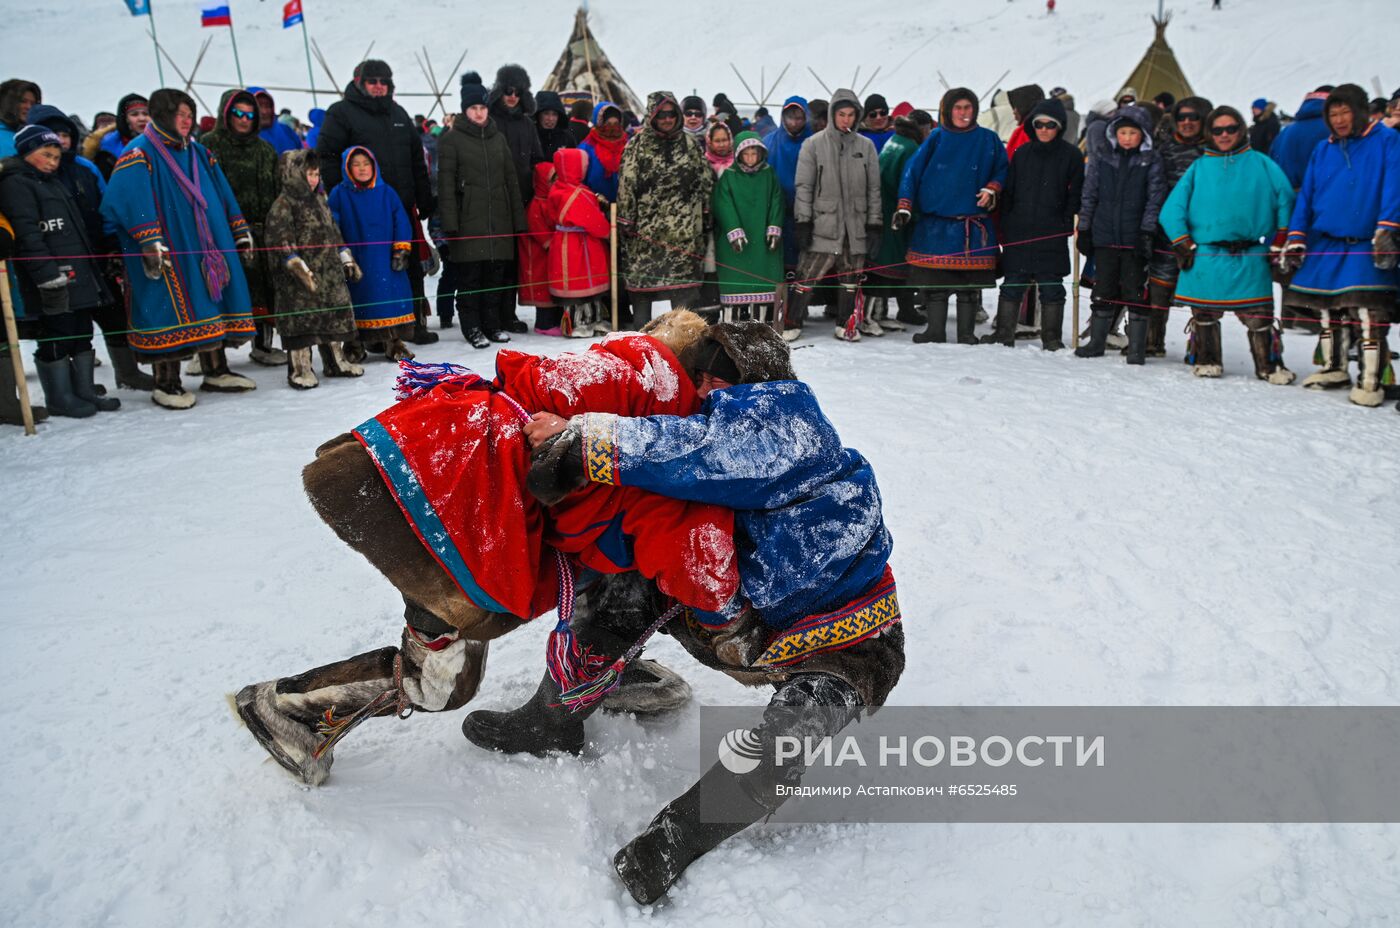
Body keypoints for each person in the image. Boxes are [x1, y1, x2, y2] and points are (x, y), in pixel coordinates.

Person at [477, 321, 904, 906]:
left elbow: (696, 451)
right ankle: (552, 718)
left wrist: (580, 441)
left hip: (852, 640)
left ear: (742, 381)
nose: (698, 391)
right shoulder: (740, 425)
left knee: (783, 745)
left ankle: (679, 837)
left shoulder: (788, 426)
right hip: (751, 620)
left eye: (708, 378)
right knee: (625, 581)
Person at [234, 311, 729, 787]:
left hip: (458, 485)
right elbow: (551, 401)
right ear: (696, 372)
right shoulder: (651, 386)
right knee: (441, 681)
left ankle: (602, 670)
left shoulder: (639, 383)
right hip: (454, 499)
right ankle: (283, 710)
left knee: (604, 578)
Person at [100, 88, 258, 410]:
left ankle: (216, 370)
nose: (187, 122)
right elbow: (127, 200)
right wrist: (148, 238)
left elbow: (221, 191)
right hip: (167, 247)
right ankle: (166, 381)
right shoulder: (139, 153)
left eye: (190, 115)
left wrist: (238, 229)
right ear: (162, 116)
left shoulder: (199, 152)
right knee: (167, 307)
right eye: (180, 115)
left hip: (207, 245)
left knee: (211, 302)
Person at [1279, 84, 1400, 408]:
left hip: (1367, 242)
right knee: (1329, 310)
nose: (1340, 119)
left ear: (1360, 111)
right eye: (1333, 114)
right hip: (1327, 241)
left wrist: (1388, 228)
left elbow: (1394, 185)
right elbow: (1307, 196)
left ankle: (1371, 380)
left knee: (1367, 312)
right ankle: (1335, 368)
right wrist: (1296, 236)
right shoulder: (1323, 149)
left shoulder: (1388, 141)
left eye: (1345, 112)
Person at [24, 102, 154, 393]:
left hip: (96, 255)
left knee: (114, 316)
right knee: (66, 323)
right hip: (57, 260)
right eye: (52, 134)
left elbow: (106, 205)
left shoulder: (85, 167)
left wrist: (111, 243)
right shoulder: (33, 174)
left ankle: (128, 373)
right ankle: (71, 388)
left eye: (64, 133)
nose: (61, 140)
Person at [1160, 105, 1296, 381]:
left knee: (1259, 317)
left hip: (1250, 253)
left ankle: (1269, 365)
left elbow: (1286, 199)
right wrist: (1182, 242)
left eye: (1230, 129)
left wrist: (1281, 236)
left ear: (1241, 129)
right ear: (1210, 133)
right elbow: (1171, 210)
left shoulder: (1261, 163)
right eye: (1218, 130)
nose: (1224, 135)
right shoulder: (1199, 167)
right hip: (1207, 253)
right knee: (1205, 314)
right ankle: (1207, 359)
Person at [317, 60, 438, 349]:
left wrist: (424, 197)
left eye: (384, 81)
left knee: (409, 267)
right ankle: (370, 333)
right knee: (370, 272)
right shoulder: (341, 113)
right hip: (361, 209)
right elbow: (328, 157)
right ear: (359, 82)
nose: (379, 86)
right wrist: (340, 197)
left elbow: (415, 160)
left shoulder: (398, 113)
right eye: (372, 81)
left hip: (401, 206)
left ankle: (412, 326)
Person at [0, 125, 119, 418]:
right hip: (48, 277)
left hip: (77, 271)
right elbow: (29, 235)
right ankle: (60, 396)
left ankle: (84, 389)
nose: (53, 161)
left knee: (81, 329)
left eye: (56, 155)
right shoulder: (16, 184)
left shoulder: (51, 182)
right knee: (56, 333)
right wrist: (45, 274)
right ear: (28, 152)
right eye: (46, 155)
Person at [896, 87, 1009, 346]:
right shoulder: (936, 138)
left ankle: (966, 333)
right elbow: (911, 173)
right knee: (936, 286)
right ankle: (935, 331)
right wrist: (905, 205)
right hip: (936, 225)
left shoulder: (988, 139)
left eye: (968, 108)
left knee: (968, 288)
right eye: (958, 108)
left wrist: (993, 187)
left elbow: (1002, 169)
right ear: (948, 110)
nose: (963, 113)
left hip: (972, 225)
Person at [782, 89, 881, 342]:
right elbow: (804, 187)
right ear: (832, 115)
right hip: (823, 222)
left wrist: (874, 224)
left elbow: (874, 189)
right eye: (841, 114)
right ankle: (792, 321)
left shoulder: (866, 146)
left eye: (850, 114)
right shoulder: (813, 144)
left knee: (851, 277)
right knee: (807, 275)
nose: (846, 119)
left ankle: (845, 323)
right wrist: (802, 221)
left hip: (855, 224)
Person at [437, 78, 527, 349]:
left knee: (495, 277)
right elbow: (445, 185)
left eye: (483, 107)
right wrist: (450, 223)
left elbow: (511, 181)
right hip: (468, 222)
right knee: (470, 279)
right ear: (465, 110)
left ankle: (492, 324)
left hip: (498, 220)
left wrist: (517, 220)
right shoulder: (452, 140)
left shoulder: (498, 139)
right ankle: (472, 326)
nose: (479, 112)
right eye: (473, 107)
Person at [262, 149, 362, 389]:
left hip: (329, 275)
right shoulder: (283, 205)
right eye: (308, 174)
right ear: (292, 173)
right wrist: (295, 264)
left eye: (316, 174)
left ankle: (335, 362)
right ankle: (300, 368)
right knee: (302, 324)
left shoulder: (320, 200)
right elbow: (280, 240)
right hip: (299, 280)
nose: (314, 179)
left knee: (334, 318)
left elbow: (333, 232)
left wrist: (345, 256)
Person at [1073, 105, 1166, 362]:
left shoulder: (1151, 161)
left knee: (1135, 291)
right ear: (1115, 133)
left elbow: (1154, 199)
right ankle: (1097, 342)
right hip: (1104, 237)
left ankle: (1136, 348)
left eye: (1132, 133)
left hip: (1134, 238)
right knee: (1103, 289)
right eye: (1122, 132)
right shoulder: (1102, 157)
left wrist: (1147, 232)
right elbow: (1090, 194)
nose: (1127, 137)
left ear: (1143, 135)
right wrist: (1085, 228)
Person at [200, 89, 285, 368]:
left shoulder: (264, 149)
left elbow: (276, 190)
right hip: (223, 232)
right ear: (226, 113)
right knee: (224, 289)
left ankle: (263, 345)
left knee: (264, 289)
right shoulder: (209, 146)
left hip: (260, 231)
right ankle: (214, 353)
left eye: (250, 114)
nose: (244, 119)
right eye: (238, 113)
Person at [989, 97, 1083, 350]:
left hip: (1051, 233)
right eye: (1039, 124)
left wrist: (1064, 223)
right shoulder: (1022, 153)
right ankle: (1004, 334)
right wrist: (1007, 224)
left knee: (1052, 288)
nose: (1043, 129)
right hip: (1019, 230)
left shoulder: (1072, 156)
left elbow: (1076, 195)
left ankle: (1051, 339)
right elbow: (1009, 191)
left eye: (1049, 125)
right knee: (1012, 285)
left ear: (1059, 127)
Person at [617, 91, 713, 327]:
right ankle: (641, 347)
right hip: (645, 236)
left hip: (683, 235)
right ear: (652, 115)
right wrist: (626, 221)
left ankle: (684, 349)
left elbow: (705, 181)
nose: (668, 119)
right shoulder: (637, 146)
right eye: (662, 114)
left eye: (671, 114)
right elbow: (627, 185)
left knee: (684, 301)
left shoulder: (690, 145)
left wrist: (706, 212)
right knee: (642, 296)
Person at [327, 146, 417, 361]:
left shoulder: (387, 192)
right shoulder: (339, 194)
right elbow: (332, 226)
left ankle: (394, 342)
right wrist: (341, 253)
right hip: (357, 259)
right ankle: (354, 343)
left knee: (391, 300)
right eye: (356, 164)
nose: (362, 168)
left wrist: (401, 249)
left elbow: (401, 220)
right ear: (347, 168)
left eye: (366, 164)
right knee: (359, 302)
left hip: (387, 259)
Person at [1143, 95, 1213, 356]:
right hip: (1167, 231)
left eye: (1193, 117)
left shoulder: (1214, 151)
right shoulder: (1163, 148)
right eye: (1181, 117)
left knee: (1200, 291)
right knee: (1159, 289)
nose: (1186, 122)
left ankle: (1200, 346)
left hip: (1203, 233)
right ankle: (1152, 342)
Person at [1270, 86, 1335, 333]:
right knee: (1319, 256)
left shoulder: (1286, 132)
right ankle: (1312, 316)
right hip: (1320, 203)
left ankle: (1289, 315)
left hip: (1287, 201)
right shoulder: (1330, 131)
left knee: (1291, 255)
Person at [711, 132, 784, 324]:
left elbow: (777, 201)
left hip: (762, 241)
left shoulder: (769, 174)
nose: (751, 158)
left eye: (755, 153)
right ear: (738, 154)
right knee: (736, 283)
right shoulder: (729, 176)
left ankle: (765, 327)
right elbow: (722, 204)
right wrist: (733, 230)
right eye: (746, 154)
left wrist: (774, 227)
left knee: (764, 283)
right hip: (737, 243)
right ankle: (733, 326)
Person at [866, 107, 926, 334]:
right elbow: (908, 183)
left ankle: (877, 313)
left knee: (880, 264)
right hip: (895, 213)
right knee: (887, 265)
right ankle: (876, 315)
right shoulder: (911, 147)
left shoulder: (895, 139)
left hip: (882, 209)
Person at [545, 148, 614, 336]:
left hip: (563, 241)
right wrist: (609, 232)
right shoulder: (579, 194)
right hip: (581, 244)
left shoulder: (558, 188)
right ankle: (583, 322)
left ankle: (581, 320)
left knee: (575, 285)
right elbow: (594, 222)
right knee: (584, 284)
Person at [762, 96, 811, 278]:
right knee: (780, 265)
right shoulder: (769, 142)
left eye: (799, 117)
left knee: (805, 267)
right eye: (790, 117)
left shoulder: (814, 142)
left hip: (807, 216)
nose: (794, 122)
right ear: (783, 117)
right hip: (777, 215)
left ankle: (802, 304)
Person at [519, 162, 561, 335]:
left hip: (547, 257)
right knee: (541, 291)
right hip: (537, 257)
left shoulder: (549, 201)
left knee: (548, 289)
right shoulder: (536, 205)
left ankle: (552, 321)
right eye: (551, 181)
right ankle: (543, 324)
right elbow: (538, 229)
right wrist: (550, 242)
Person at [90, 94, 148, 179]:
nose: (142, 118)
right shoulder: (108, 151)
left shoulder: (163, 141)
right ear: (125, 119)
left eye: (146, 113)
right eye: (134, 114)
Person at [578, 101, 626, 203]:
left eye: (616, 124)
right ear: (599, 123)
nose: (612, 128)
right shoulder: (586, 148)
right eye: (608, 124)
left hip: (624, 208)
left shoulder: (628, 146)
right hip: (595, 206)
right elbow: (579, 181)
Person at [248, 88, 302, 156]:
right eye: (259, 106)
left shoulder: (286, 130)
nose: (264, 111)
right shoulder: (244, 138)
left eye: (267, 106)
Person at [0, 79, 40, 156]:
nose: (29, 107)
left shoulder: (38, 137)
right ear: (7, 102)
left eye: (33, 103)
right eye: (23, 101)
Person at [534, 90, 575, 161]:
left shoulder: (567, 137)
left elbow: (573, 161)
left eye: (554, 114)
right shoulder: (530, 135)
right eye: (546, 113)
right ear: (538, 114)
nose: (550, 118)